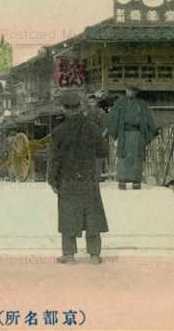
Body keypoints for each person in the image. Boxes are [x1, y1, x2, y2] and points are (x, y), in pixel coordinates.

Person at [48, 92, 109, 264]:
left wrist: (52, 180)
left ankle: (69, 254)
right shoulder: (93, 129)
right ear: (80, 107)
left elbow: (54, 159)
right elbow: (103, 152)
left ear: (64, 109)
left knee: (68, 215)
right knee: (92, 215)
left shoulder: (59, 132)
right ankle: (94, 254)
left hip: (67, 179)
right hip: (88, 177)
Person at [107, 85, 158, 190]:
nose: (130, 92)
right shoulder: (119, 103)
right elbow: (112, 118)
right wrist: (114, 132)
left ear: (136, 92)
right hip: (124, 135)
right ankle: (122, 180)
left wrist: (152, 131)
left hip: (137, 135)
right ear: (125, 90)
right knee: (123, 158)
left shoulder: (142, 104)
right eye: (128, 90)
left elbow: (149, 120)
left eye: (133, 90)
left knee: (137, 157)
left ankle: (136, 181)